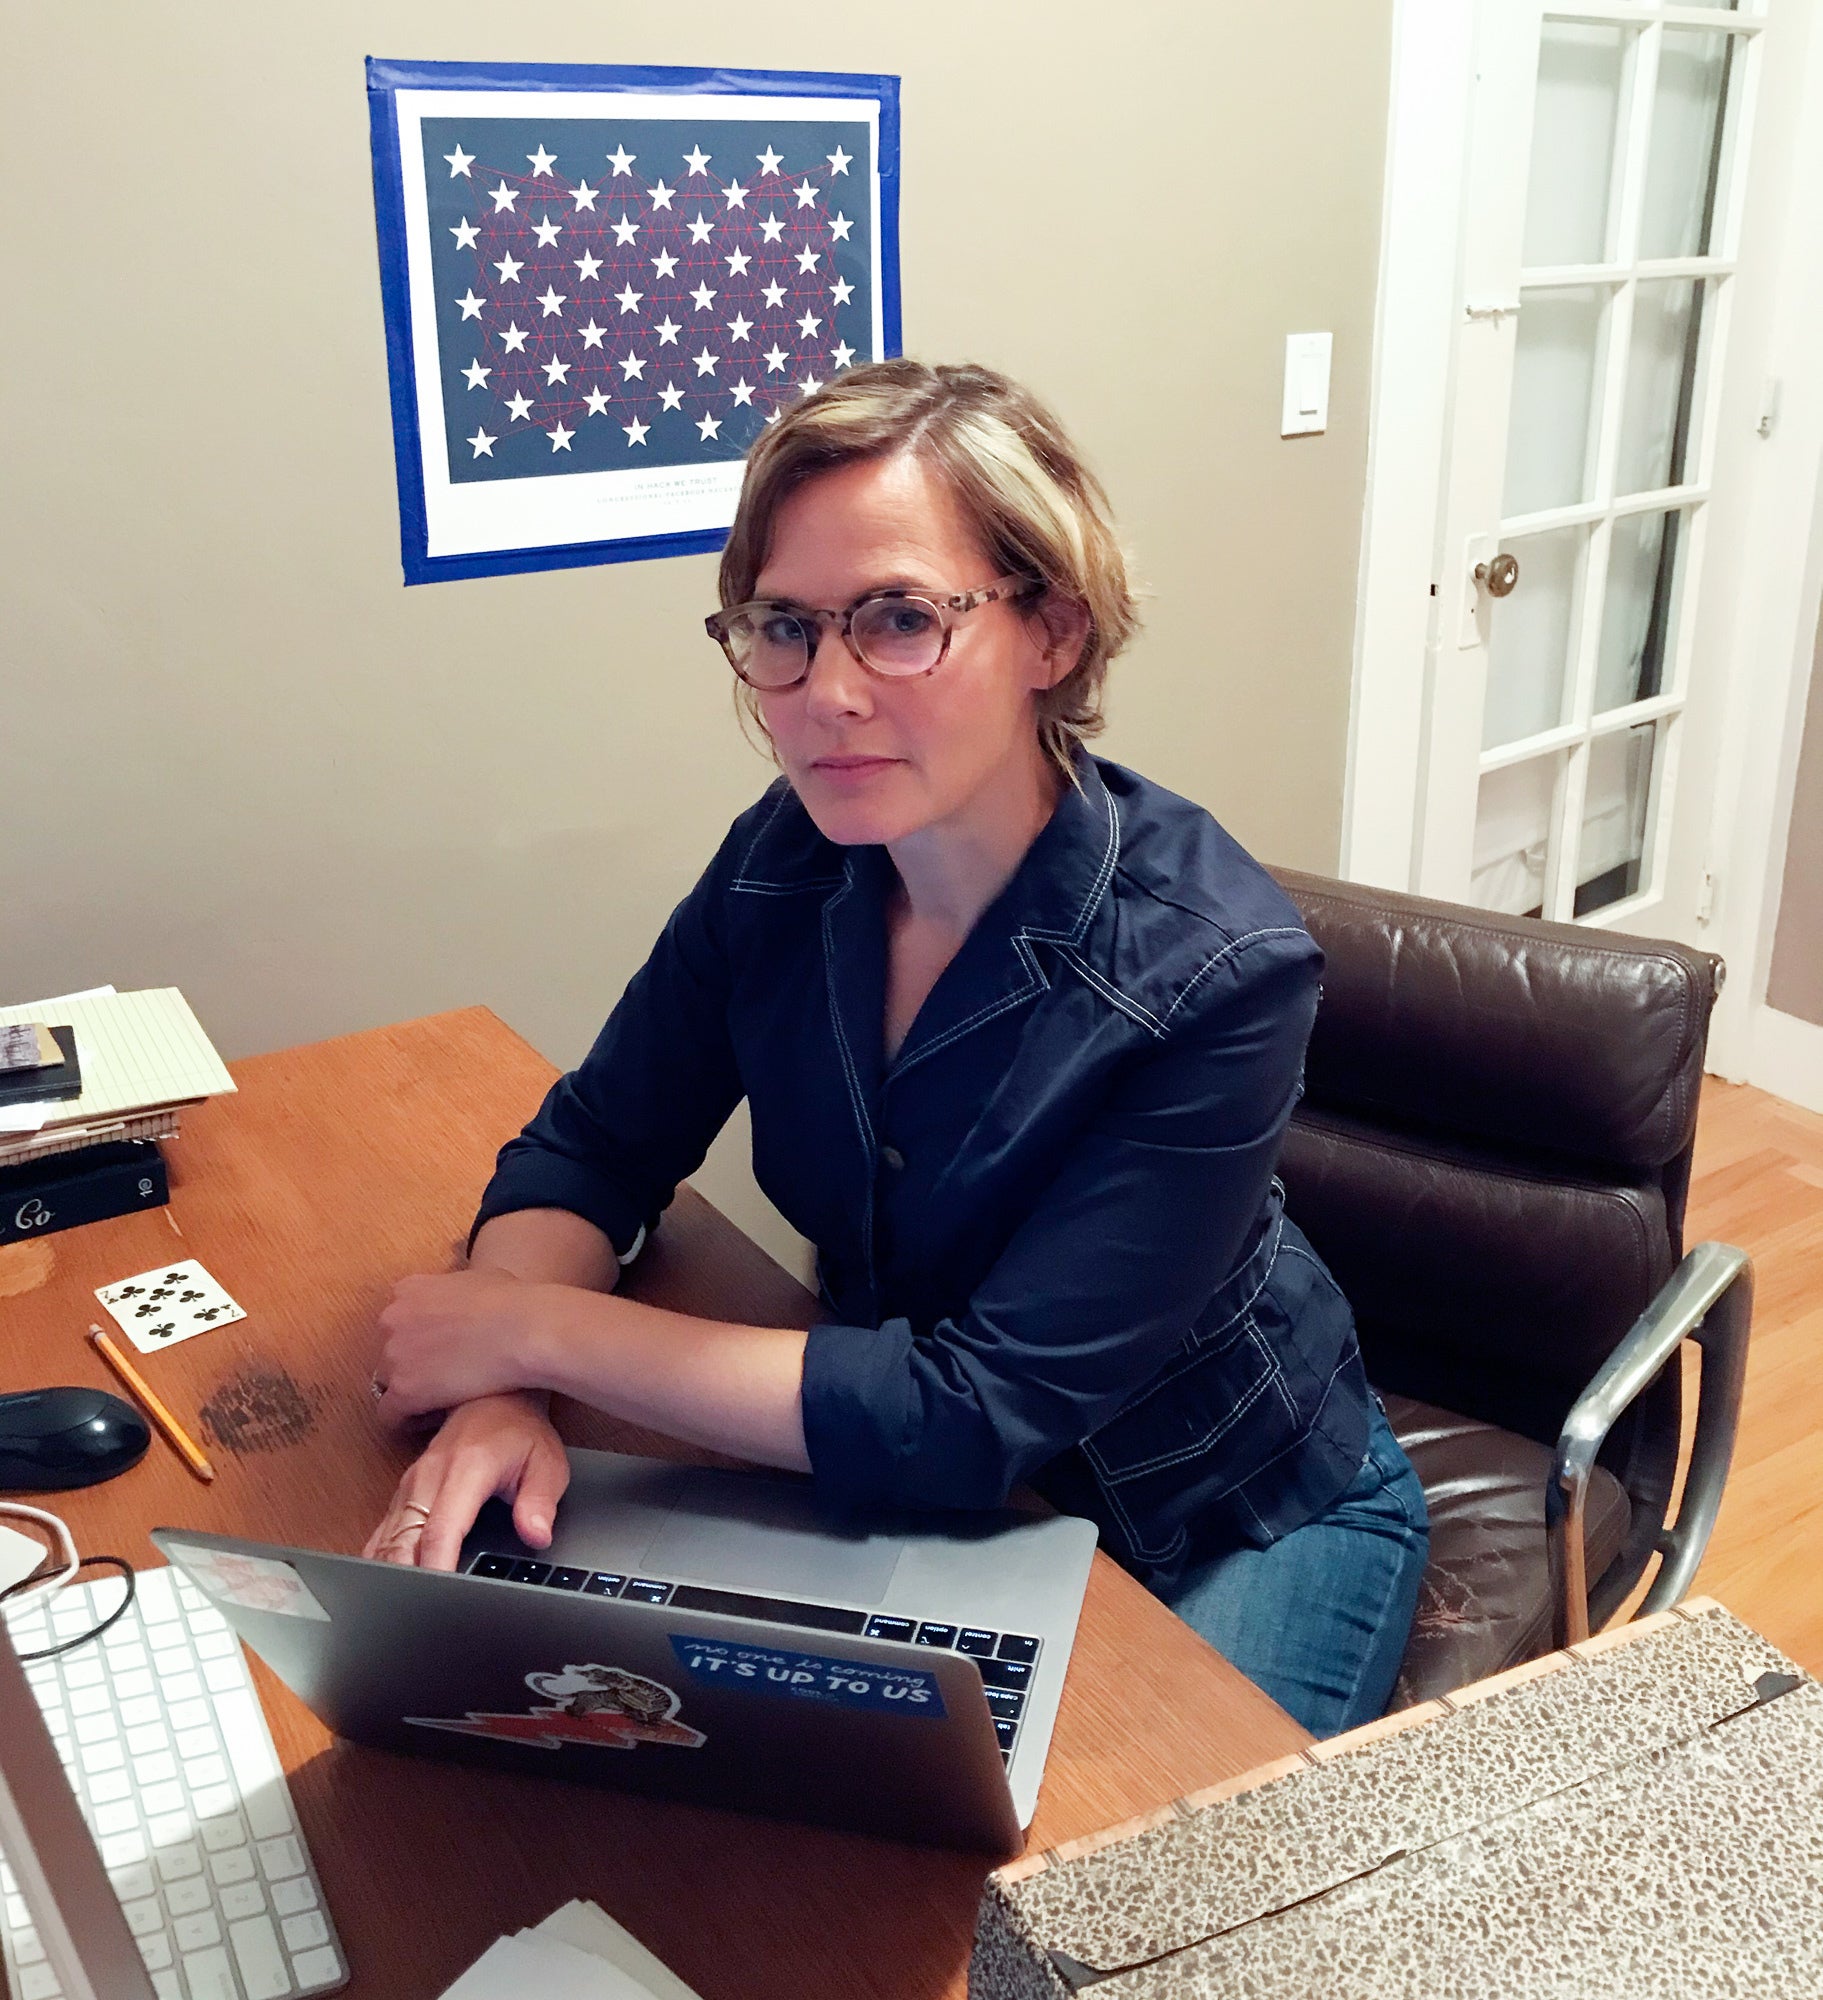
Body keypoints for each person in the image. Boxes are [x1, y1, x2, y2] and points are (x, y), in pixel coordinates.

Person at [364, 359, 1428, 1738]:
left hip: (1221, 1514)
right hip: (932, 1499)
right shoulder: (785, 864)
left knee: (1118, 1914)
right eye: (784, 628)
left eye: (901, 620)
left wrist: (534, 1325)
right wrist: (498, 1393)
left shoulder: (1220, 967)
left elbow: (974, 1412)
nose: (829, 691)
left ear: (1051, 629)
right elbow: (597, 1144)